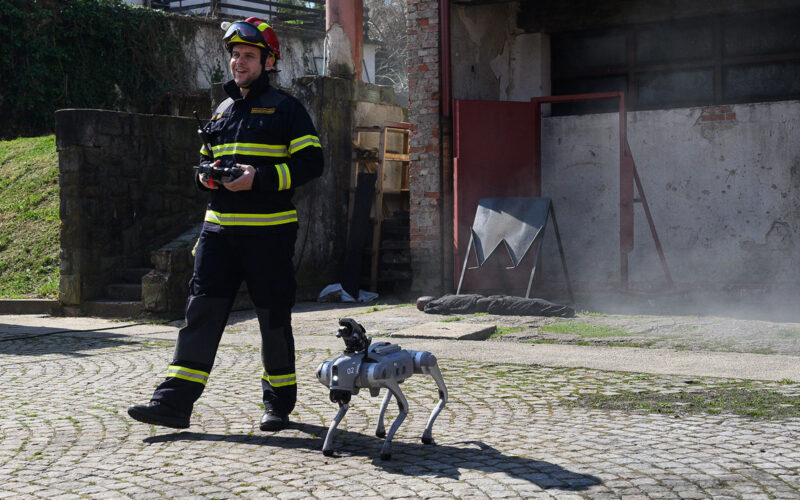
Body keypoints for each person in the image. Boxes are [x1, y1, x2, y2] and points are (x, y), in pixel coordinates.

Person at [128, 17, 324, 432]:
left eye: (249, 56)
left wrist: (260, 178)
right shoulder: (221, 109)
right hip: (217, 233)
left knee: (273, 319)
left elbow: (312, 163)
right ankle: (173, 404)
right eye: (235, 55)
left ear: (268, 62)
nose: (239, 62)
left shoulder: (287, 109)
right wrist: (205, 175)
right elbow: (204, 160)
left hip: (269, 235)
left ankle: (278, 404)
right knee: (200, 314)